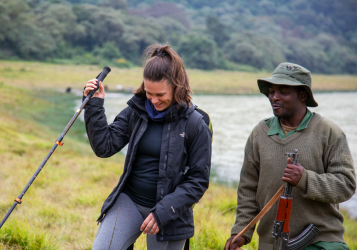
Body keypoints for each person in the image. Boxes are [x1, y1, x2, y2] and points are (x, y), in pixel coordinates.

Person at [83, 44, 212, 249]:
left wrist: (163, 212)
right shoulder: (136, 110)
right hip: (130, 200)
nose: (153, 100)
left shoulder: (196, 123)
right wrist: (94, 105)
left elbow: (198, 180)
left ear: (177, 86)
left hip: (170, 213)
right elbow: (104, 147)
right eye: (149, 93)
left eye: (160, 95)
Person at [225, 62, 356, 250]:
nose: (274, 97)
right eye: (271, 91)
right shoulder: (259, 134)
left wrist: (304, 179)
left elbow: (346, 185)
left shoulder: (329, 132)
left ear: (302, 95)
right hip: (272, 243)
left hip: (322, 243)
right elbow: (248, 189)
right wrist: (241, 232)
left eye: (283, 92)